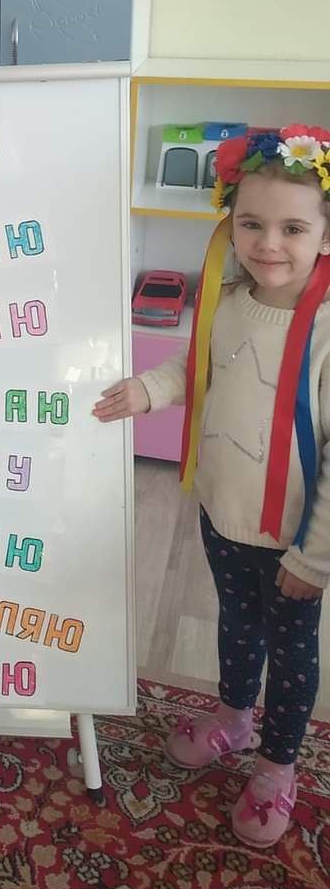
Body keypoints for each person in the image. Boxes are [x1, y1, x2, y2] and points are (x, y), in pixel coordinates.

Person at [95, 126, 330, 847]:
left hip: (293, 541)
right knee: (237, 622)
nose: (268, 244)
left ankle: (277, 766)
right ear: (229, 222)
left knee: (291, 653)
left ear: (326, 233)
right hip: (222, 512)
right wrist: (147, 389)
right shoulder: (228, 299)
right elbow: (194, 365)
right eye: (251, 223)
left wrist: (314, 558)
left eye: (293, 229)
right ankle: (233, 717)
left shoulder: (326, 329)